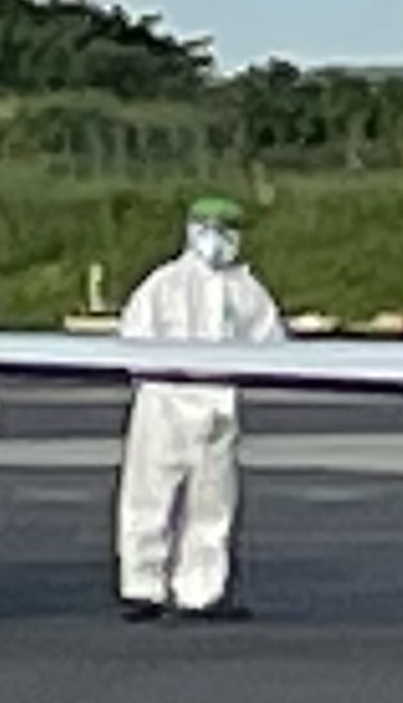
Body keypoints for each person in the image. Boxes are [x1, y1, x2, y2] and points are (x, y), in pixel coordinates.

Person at [114, 193, 285, 624]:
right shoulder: (164, 283)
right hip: (164, 403)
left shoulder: (245, 288)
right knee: (149, 496)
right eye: (209, 229)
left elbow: (272, 341)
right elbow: (132, 337)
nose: (218, 240)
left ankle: (202, 591)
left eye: (226, 230)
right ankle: (143, 587)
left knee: (212, 503)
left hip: (217, 409)